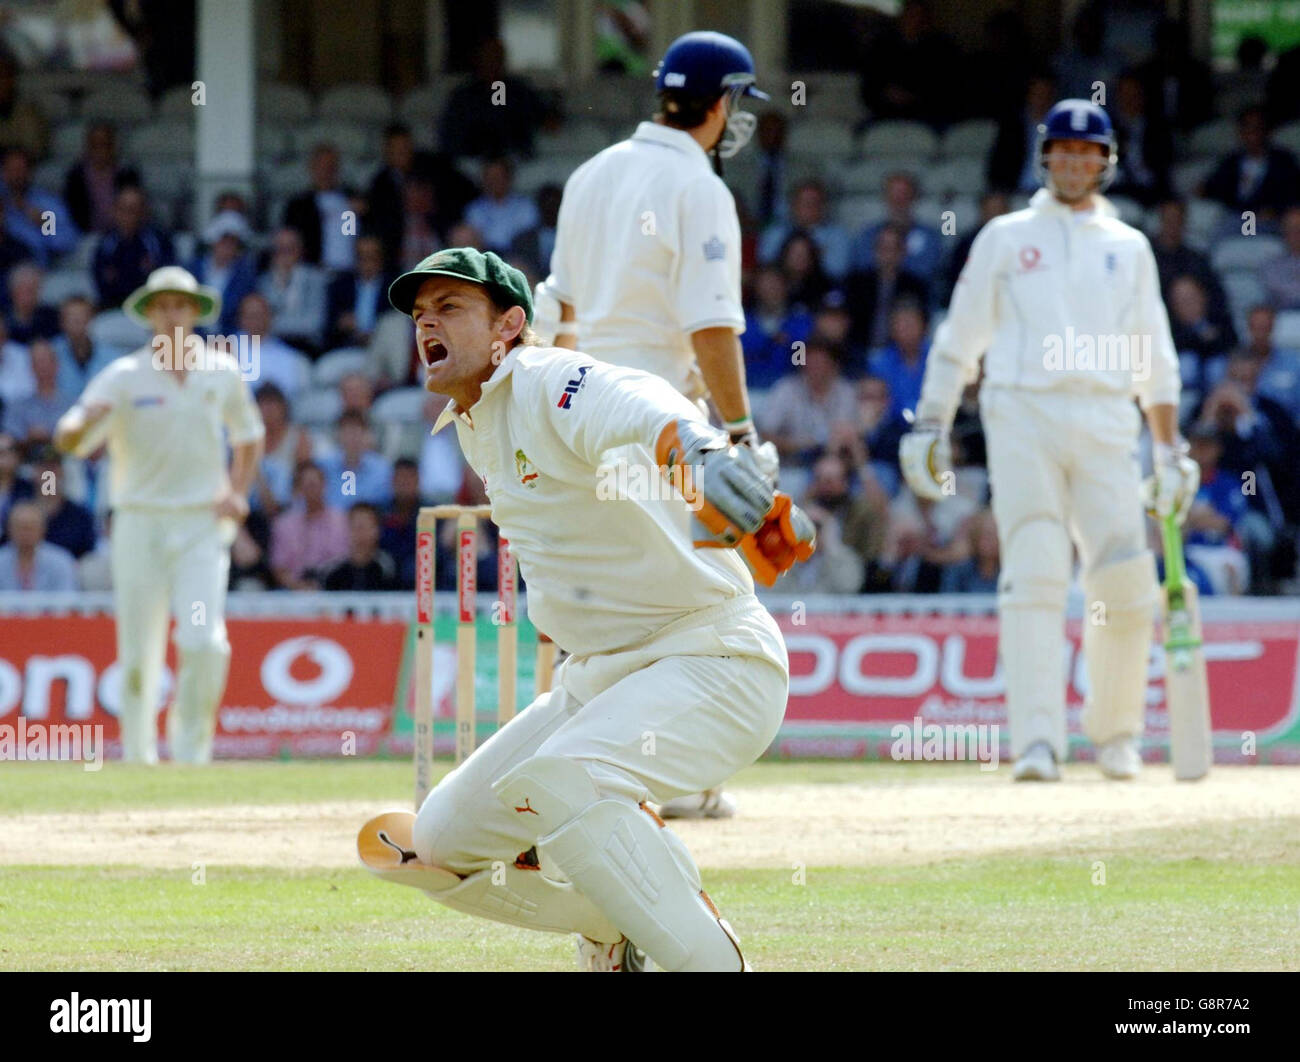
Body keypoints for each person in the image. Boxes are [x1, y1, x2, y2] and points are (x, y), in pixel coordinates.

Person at [377, 246, 813, 971]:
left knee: (566, 779)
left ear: (508, 326)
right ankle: (617, 921)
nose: (428, 324)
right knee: (437, 847)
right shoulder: (475, 420)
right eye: (421, 314)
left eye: (450, 307)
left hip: (712, 657)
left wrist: (700, 452)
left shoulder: (541, 378)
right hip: (596, 680)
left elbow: (632, 403)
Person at [900, 99, 1196, 782]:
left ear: (1105, 161)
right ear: (1045, 158)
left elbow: (1153, 353)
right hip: (1022, 413)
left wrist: (1170, 449)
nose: (1072, 161)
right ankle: (1037, 741)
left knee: (1123, 577)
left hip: (1104, 418)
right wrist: (931, 420)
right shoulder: (1005, 237)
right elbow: (960, 337)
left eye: (1085, 151)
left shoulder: (1130, 247)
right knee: (1034, 569)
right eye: (1061, 150)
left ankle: (1116, 735)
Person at [547, 30, 779, 821]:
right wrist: (740, 434)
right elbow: (712, 325)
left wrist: (554, 415)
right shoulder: (699, 186)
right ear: (721, 105)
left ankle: (586, 768)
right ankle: (667, 778)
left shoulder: (592, 173)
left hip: (582, 404)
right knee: (686, 604)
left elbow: (562, 311)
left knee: (615, 597)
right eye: (740, 102)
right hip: (661, 415)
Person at [53, 266, 264, 763]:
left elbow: (248, 437)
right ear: (148, 315)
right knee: (139, 651)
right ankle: (139, 761)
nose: (172, 315)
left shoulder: (221, 370)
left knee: (204, 641)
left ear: (195, 312)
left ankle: (191, 759)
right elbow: (77, 435)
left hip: (200, 525)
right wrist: (71, 429)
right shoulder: (124, 376)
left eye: (181, 306)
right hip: (138, 522)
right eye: (162, 306)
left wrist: (237, 491)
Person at [0, 502, 77, 591]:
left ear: (43, 529)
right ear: (10, 529)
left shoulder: (61, 561)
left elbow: (68, 599)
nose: (25, 533)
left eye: (30, 528)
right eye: (20, 527)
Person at [323, 502, 398, 590]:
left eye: (366, 526)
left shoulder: (388, 569)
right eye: (356, 527)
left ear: (377, 531)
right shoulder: (333, 572)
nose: (361, 533)